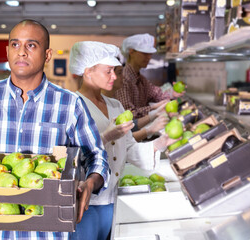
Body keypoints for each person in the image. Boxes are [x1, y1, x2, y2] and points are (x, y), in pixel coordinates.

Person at [0, 19, 110, 240]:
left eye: (31, 45)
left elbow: (96, 156)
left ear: (47, 55)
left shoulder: (69, 104)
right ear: (7, 51)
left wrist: (90, 182)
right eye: (15, 44)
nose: (21, 52)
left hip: (49, 233)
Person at [68, 41, 175, 240]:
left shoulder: (115, 105)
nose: (115, 77)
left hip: (113, 199)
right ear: (88, 71)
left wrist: (161, 143)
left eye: (115, 70)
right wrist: (107, 136)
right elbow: (69, 157)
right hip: (86, 202)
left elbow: (129, 149)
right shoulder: (72, 106)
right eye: (108, 71)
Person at [115, 33, 184, 119]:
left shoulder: (141, 79)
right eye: (144, 53)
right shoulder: (123, 80)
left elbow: (156, 94)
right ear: (131, 52)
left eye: (150, 54)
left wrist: (172, 93)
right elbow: (129, 114)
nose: (149, 57)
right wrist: (154, 108)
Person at [103, 65, 168, 142]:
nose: (123, 77)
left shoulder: (115, 104)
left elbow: (129, 127)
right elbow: (124, 140)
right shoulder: (101, 107)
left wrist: (153, 114)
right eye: (120, 73)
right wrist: (149, 129)